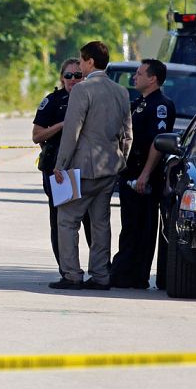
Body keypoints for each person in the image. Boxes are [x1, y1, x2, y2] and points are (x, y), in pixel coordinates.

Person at [50, 41, 132, 290]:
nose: (81, 65)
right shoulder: (121, 91)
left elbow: (72, 131)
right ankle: (100, 275)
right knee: (100, 223)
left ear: (90, 62)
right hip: (109, 167)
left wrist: (60, 164)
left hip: (82, 168)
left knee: (67, 220)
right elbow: (127, 132)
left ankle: (72, 274)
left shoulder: (82, 90)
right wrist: (122, 159)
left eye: (82, 61)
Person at [111, 59, 176, 289]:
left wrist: (145, 175)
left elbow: (157, 144)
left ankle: (135, 275)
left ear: (153, 78)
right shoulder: (140, 102)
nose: (134, 77)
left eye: (139, 74)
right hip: (129, 174)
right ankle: (123, 271)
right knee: (130, 226)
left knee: (143, 227)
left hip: (144, 177)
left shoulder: (160, 105)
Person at [32, 58, 92, 273]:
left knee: (91, 221)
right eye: (68, 76)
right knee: (61, 220)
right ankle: (66, 269)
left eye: (78, 75)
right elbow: (37, 136)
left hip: (86, 167)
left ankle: (99, 270)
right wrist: (61, 125)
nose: (73, 80)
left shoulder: (91, 98)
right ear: (61, 77)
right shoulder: (53, 101)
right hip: (59, 170)